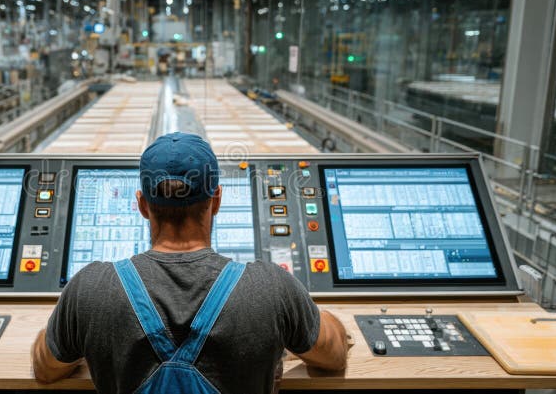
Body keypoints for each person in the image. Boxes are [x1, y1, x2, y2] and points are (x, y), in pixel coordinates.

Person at [32, 132, 348, 393]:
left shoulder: (90, 290)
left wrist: (76, 331)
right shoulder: (272, 289)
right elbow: (333, 356)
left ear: (142, 205)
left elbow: (45, 368)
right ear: (216, 200)